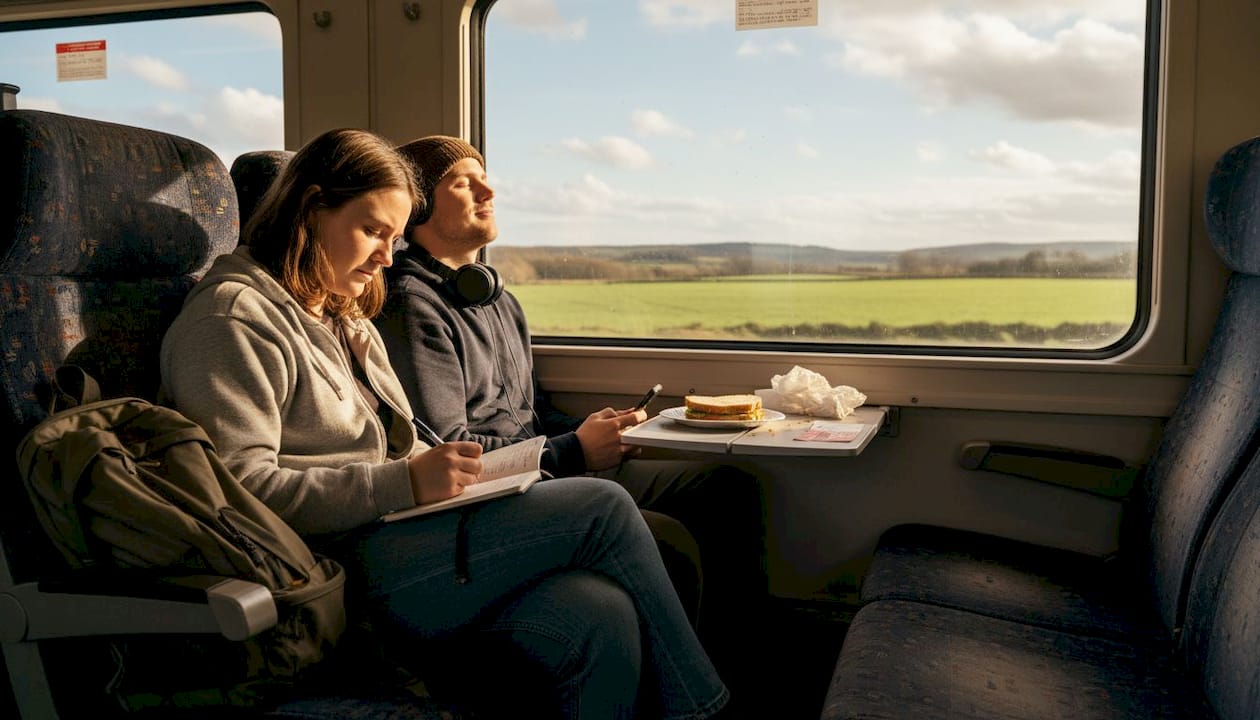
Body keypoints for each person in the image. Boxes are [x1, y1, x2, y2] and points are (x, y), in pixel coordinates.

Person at [159, 127, 729, 719]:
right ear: (311, 210)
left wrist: (469, 474)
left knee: (595, 611)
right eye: (372, 230)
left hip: (394, 533)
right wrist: (402, 483)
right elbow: (237, 493)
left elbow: (396, 440)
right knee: (602, 507)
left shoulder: (335, 312)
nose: (386, 255)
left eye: (395, 237)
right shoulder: (233, 321)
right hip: (329, 566)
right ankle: (703, 710)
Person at [376, 135, 769, 696]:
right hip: (504, 491)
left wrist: (598, 430)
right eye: (462, 183)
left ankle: (737, 667)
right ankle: (684, 695)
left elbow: (527, 414)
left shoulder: (497, 300)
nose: (488, 190)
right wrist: (574, 451)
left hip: (547, 465)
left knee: (725, 488)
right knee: (668, 541)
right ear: (416, 209)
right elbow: (449, 450)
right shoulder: (412, 305)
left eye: (484, 176)